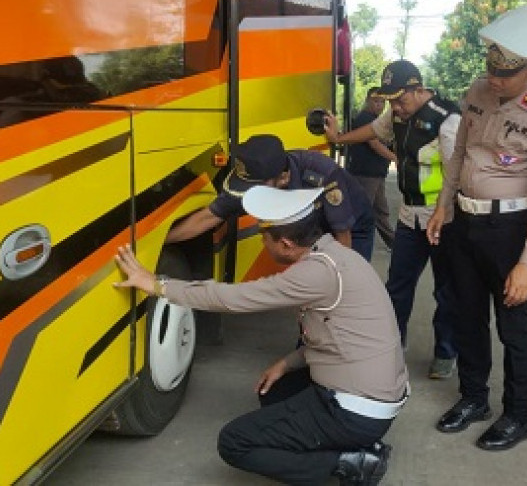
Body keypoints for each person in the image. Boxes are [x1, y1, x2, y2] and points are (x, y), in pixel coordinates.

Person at [114, 186, 409, 486]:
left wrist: (158, 285)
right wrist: (287, 363)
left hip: (356, 410)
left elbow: (234, 298)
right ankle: (350, 445)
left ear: (285, 244)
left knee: (235, 442)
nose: (261, 243)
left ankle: (349, 464)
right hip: (377, 394)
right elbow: (338, 338)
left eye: (263, 238)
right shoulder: (336, 255)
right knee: (273, 391)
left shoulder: (315, 274)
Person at [426, 4, 527, 450]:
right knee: (466, 315)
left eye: (506, 73)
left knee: (513, 325)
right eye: (491, 67)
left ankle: (518, 415)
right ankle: (474, 398)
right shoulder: (477, 90)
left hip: (512, 230)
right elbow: (459, 156)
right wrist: (441, 206)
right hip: (465, 222)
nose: (496, 78)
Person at [324, 60, 460, 379]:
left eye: (401, 100)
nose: (396, 108)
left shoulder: (448, 119)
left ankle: (446, 352)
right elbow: (373, 131)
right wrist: (338, 138)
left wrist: (443, 209)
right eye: (391, 102)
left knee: (446, 290)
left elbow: (456, 173)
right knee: (397, 285)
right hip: (409, 215)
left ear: (418, 89)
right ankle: (393, 345)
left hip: (443, 218)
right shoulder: (397, 115)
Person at [166, 134, 375, 261]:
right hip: (309, 233)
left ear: (283, 178)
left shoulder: (322, 175)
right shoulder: (255, 175)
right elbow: (208, 217)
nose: (250, 195)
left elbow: (342, 237)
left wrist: (337, 281)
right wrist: (161, 241)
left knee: (340, 295)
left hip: (350, 229)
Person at [345, 87, 397, 250]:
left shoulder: (375, 119)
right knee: (362, 212)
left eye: (382, 102)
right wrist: (396, 158)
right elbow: (374, 145)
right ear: (368, 101)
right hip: (365, 174)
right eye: (376, 101)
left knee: (381, 211)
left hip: (376, 174)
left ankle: (394, 243)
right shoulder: (365, 119)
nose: (380, 105)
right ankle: (351, 244)